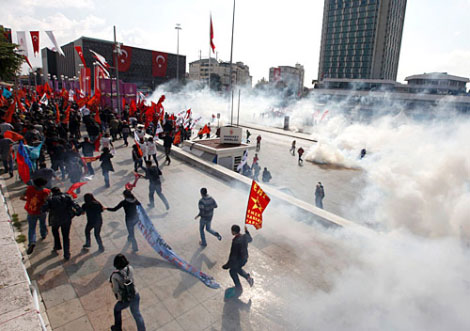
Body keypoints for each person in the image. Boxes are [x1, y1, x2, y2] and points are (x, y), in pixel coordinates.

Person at [41, 187, 81, 261]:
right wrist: (79, 212)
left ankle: (57, 245)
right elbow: (75, 204)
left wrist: (45, 200)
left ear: (52, 192)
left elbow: (43, 209)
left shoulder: (50, 199)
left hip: (55, 219)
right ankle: (67, 254)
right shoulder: (67, 196)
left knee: (55, 232)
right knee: (66, 236)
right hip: (66, 219)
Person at [110, 254, 146, 331]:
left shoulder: (115, 276)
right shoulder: (130, 268)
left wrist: (112, 286)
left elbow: (115, 290)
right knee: (137, 314)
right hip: (135, 294)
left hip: (125, 298)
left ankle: (117, 328)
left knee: (117, 309)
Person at [20, 177, 50, 255]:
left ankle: (32, 242)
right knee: (42, 223)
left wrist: (28, 200)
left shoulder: (29, 189)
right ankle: (43, 234)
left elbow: (21, 197)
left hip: (31, 211)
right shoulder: (45, 191)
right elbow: (47, 201)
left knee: (32, 228)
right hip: (41, 211)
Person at [222, 225, 254, 294]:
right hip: (245, 258)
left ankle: (239, 287)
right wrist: (246, 231)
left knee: (232, 271)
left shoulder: (235, 241)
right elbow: (250, 239)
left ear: (233, 232)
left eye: (231, 231)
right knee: (237, 269)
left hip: (238, 260)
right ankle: (248, 278)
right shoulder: (244, 236)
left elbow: (233, 255)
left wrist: (227, 265)